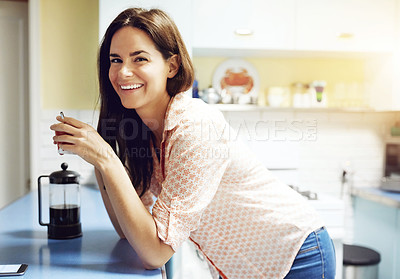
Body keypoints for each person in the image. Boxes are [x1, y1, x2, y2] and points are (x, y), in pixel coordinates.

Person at [50, 7, 336, 279]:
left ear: (171, 66)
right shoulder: (143, 131)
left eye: (139, 59)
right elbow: (128, 231)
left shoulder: (195, 127)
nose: (123, 72)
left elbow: (155, 252)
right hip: (245, 264)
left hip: (297, 256)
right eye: (116, 60)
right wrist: (101, 157)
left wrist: (105, 158)